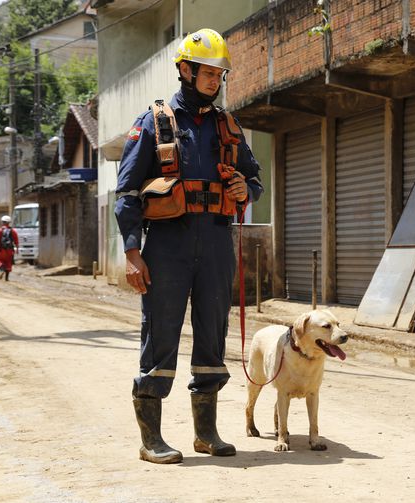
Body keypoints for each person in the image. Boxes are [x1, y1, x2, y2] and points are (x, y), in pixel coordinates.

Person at [115, 28, 263, 464]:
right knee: (160, 335)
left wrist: (244, 189)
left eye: (220, 73)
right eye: (208, 71)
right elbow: (126, 193)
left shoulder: (228, 126)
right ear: (186, 70)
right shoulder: (155, 122)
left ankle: (206, 434)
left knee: (212, 335)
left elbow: (254, 180)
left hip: (216, 242)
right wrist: (131, 250)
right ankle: (151, 440)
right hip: (166, 245)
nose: (215, 80)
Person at [0, 215, 18, 281]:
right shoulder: (13, 231)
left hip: (1, 250)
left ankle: (2, 270)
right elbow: (16, 241)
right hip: (10, 250)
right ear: (9, 222)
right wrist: (17, 249)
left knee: (0, 261)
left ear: (2, 222)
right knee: (8, 262)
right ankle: (6, 278)